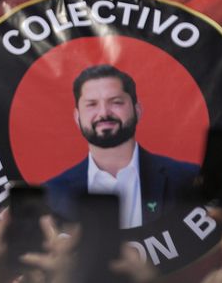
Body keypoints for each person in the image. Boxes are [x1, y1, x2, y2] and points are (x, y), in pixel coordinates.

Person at [43, 64, 199, 229]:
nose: (104, 113)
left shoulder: (188, 179)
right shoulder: (52, 194)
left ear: (137, 111)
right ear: (77, 117)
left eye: (116, 102)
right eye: (91, 104)